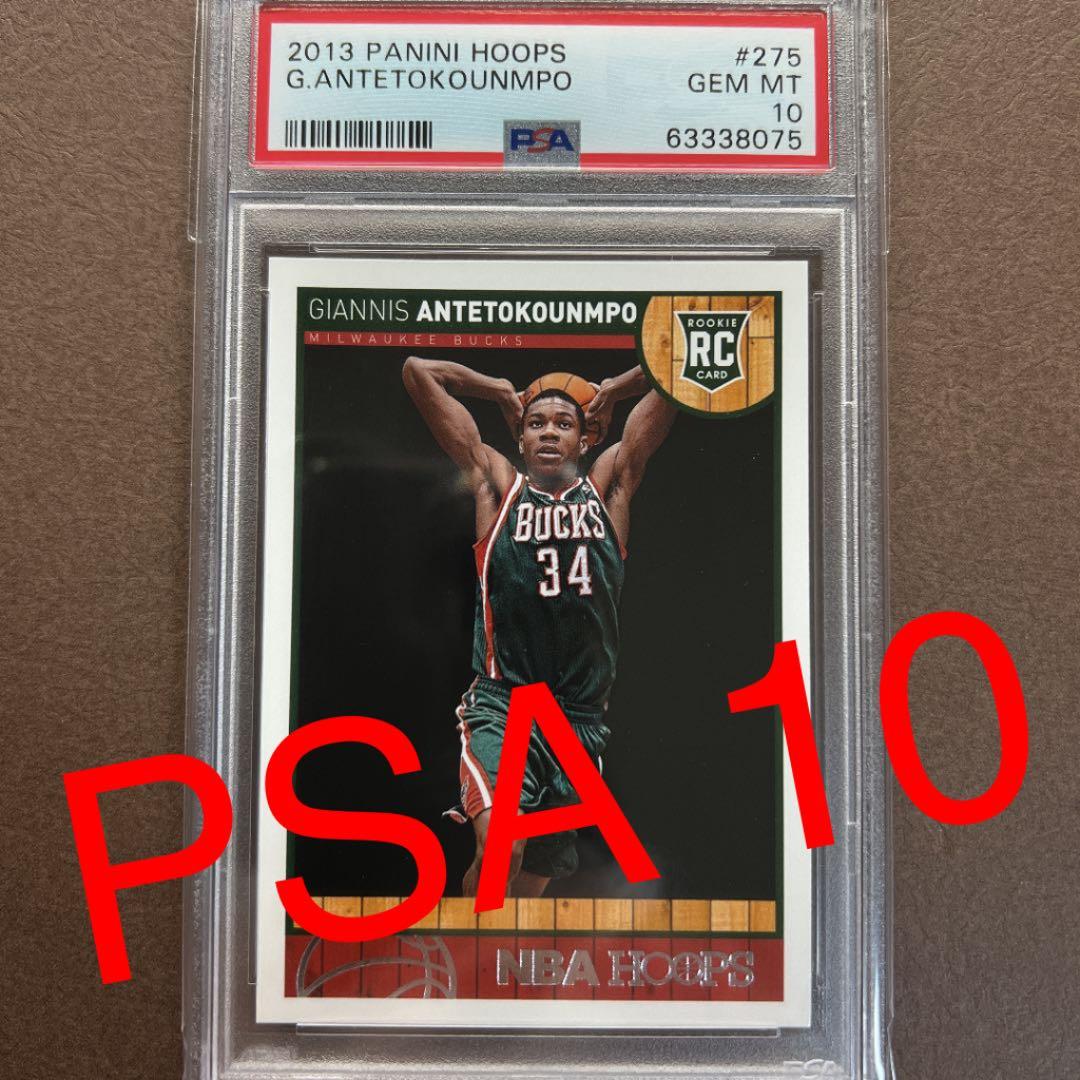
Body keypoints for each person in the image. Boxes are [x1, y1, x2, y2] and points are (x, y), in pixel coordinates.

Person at [402, 356, 676, 896]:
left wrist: (617, 387)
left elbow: (680, 375)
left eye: (564, 423)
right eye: (536, 423)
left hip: (577, 721)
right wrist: (498, 390)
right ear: (520, 437)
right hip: (506, 706)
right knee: (502, 849)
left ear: (585, 439)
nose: (549, 431)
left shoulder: (610, 487)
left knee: (526, 891)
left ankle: (472, 947)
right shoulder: (497, 486)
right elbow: (417, 371)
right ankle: (463, 949)